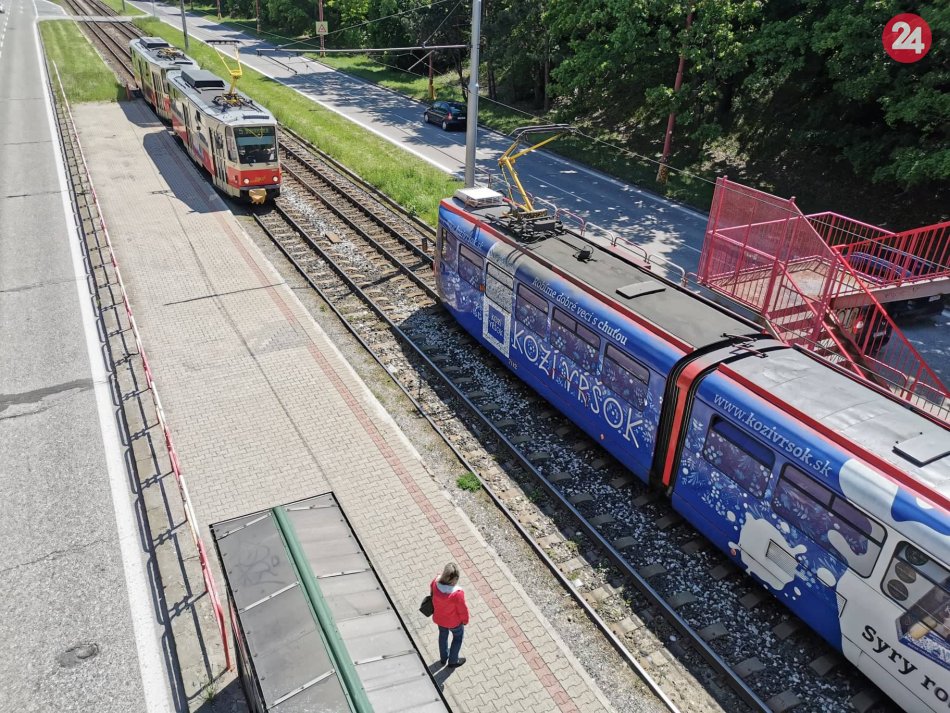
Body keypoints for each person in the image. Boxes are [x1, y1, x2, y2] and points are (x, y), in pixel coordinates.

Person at [431, 562, 469, 668]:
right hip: (454, 622)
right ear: (454, 579)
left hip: (439, 618)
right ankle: (453, 661)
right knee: (457, 638)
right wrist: (465, 621)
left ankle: (443, 658)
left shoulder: (435, 583)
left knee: (443, 636)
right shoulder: (457, 594)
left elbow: (431, 593)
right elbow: (462, 610)